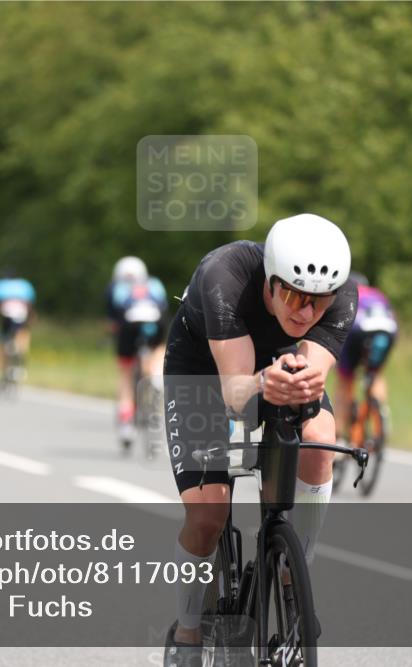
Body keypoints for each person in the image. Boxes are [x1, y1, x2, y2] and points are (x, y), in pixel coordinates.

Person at [161, 213, 357, 665]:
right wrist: (264, 382)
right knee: (207, 516)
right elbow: (234, 393)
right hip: (204, 369)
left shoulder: (344, 294)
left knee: (318, 438)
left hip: (277, 362)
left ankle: (292, 568)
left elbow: (311, 376)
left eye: (318, 302)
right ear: (270, 280)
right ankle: (188, 630)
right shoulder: (224, 276)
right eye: (292, 295)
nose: (305, 313)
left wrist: (294, 385)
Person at [106, 256, 168, 449]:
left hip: (128, 324)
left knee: (125, 374)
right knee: (158, 349)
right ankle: (156, 375)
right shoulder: (154, 284)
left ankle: (126, 421)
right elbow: (163, 307)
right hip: (154, 321)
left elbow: (113, 321)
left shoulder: (116, 287)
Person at [332, 272, 398, 447]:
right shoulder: (378, 294)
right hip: (388, 330)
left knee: (345, 381)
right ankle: (381, 414)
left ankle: (338, 435)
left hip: (357, 329)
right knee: (375, 374)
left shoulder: (346, 293)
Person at [0, 270, 36, 387]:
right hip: (22, 316)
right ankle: (20, 361)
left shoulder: (0, 285)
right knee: (23, 336)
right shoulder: (25, 285)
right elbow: (29, 304)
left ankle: (3, 369)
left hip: (6, 317)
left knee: (2, 342)